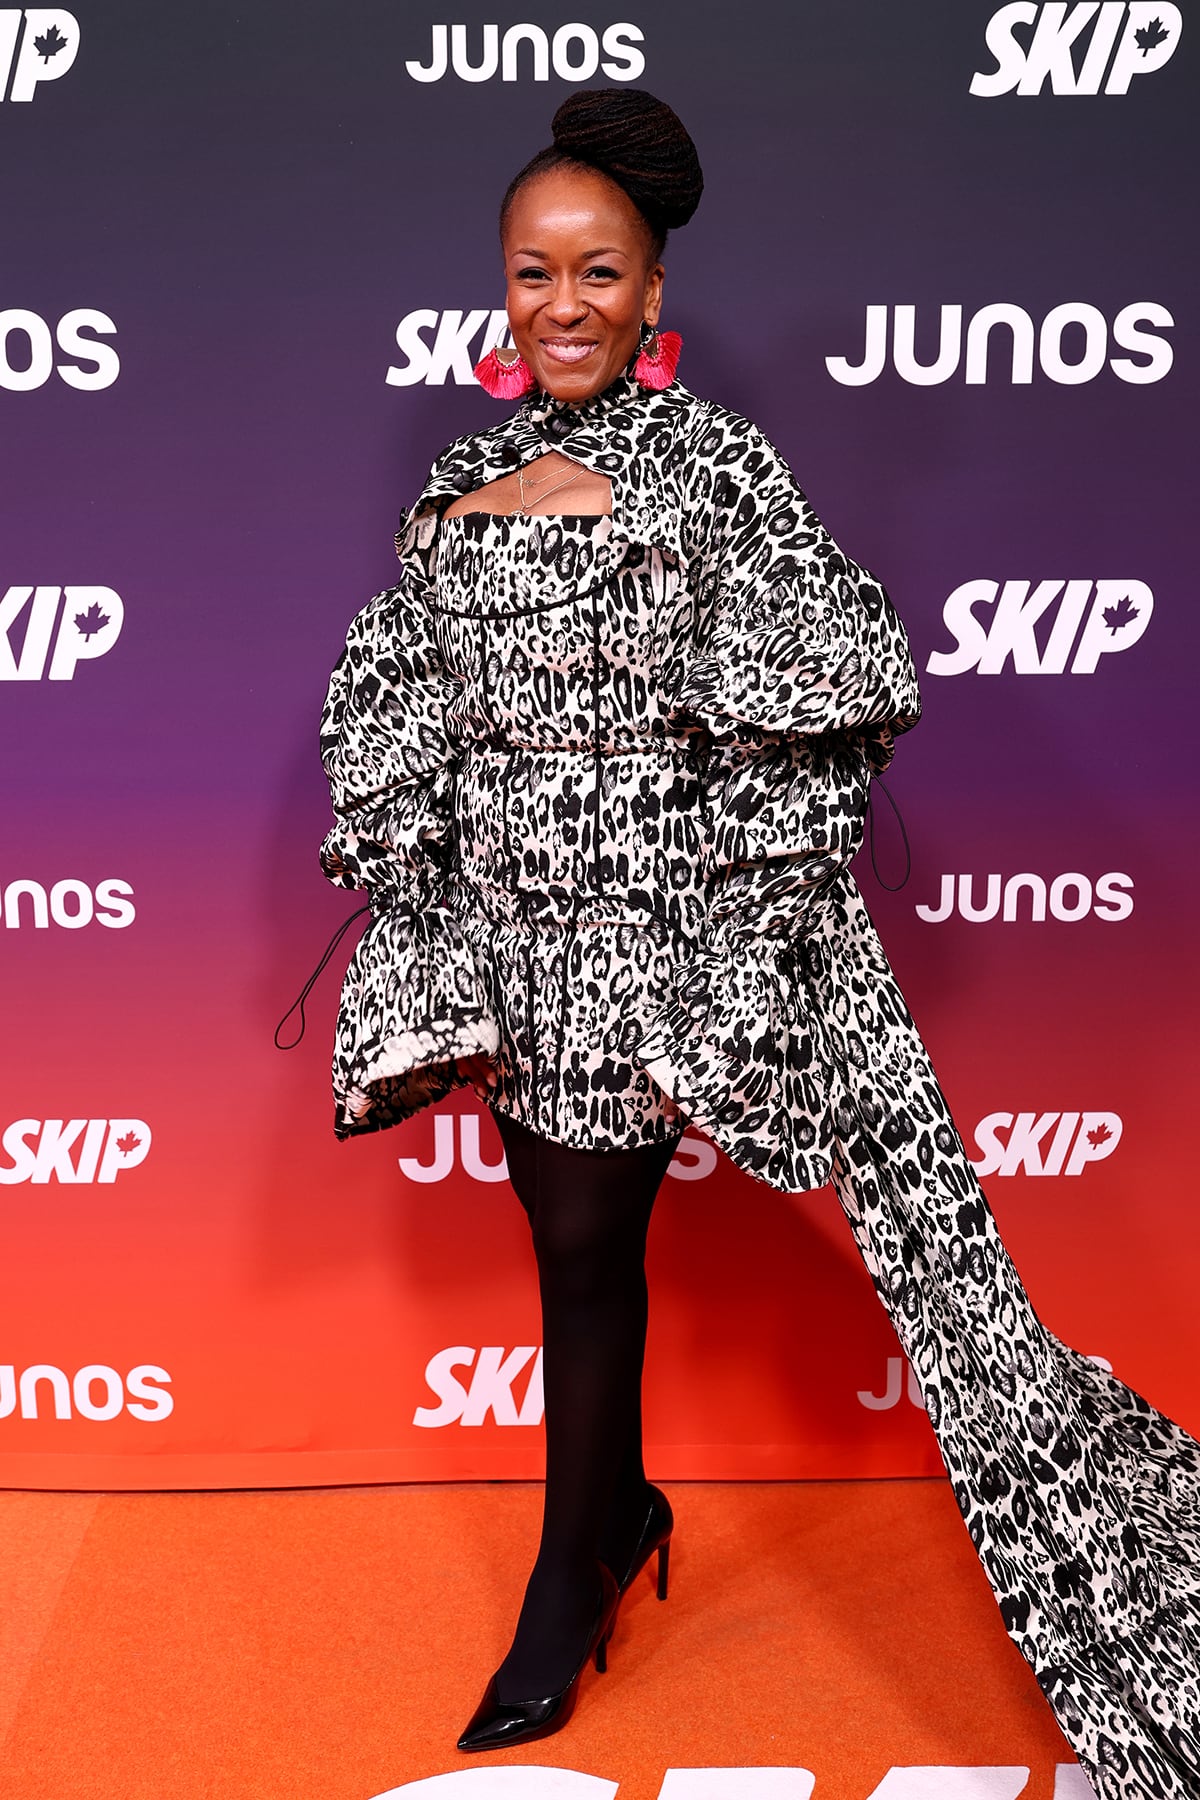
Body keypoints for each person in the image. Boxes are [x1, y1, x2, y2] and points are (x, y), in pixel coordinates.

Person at [317, 88, 1200, 1796]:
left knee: (672, 1247)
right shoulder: (458, 473)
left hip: (670, 935)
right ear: (499, 291)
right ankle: (603, 1531)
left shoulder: (721, 468)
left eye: (599, 274)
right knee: (572, 1252)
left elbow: (833, 679)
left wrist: (707, 895)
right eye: (530, 273)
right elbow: (407, 692)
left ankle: (580, 1567)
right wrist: (428, 897)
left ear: (656, 299)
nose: (561, 305)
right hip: (516, 930)